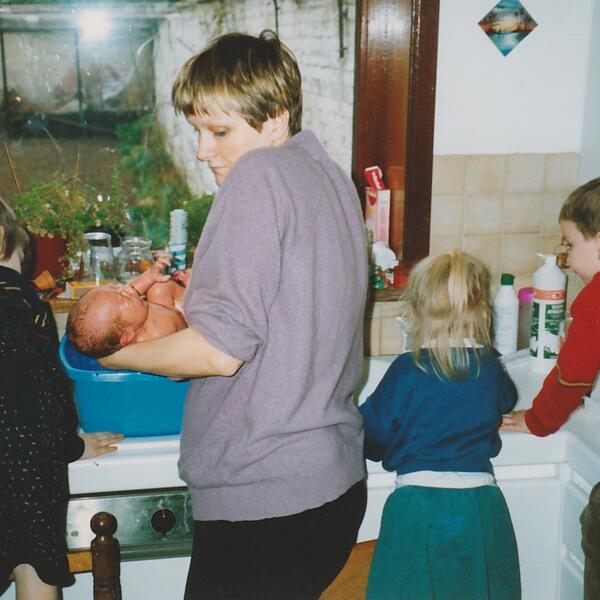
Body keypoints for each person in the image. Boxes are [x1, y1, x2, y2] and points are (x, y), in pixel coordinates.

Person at [98, 30, 368, 599]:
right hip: (330, 484)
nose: (203, 151)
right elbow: (286, 312)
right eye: (197, 130)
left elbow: (219, 353)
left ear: (275, 118)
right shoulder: (326, 174)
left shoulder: (259, 174)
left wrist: (113, 353)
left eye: (220, 131)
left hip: (265, 494)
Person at [360, 251, 521, 600]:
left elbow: (371, 436)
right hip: (480, 505)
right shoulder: (488, 366)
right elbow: (506, 400)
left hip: (418, 506)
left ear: (415, 312)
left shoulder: (408, 368)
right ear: (481, 312)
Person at [0, 198, 123, 600]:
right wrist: (73, 445)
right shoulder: (21, 301)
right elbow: (43, 396)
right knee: (34, 567)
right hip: (21, 472)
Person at [501, 177, 600, 599]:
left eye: (572, 244)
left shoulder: (595, 298)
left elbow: (572, 378)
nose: (567, 259)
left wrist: (537, 420)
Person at [66, 255, 189, 358]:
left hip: (172, 309)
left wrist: (151, 275)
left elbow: (133, 288)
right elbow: (179, 361)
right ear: (128, 336)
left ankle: (190, 294)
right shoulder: (156, 340)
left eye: (115, 287)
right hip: (188, 329)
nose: (127, 289)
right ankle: (194, 295)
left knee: (158, 287)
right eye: (125, 299)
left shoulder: (132, 308)